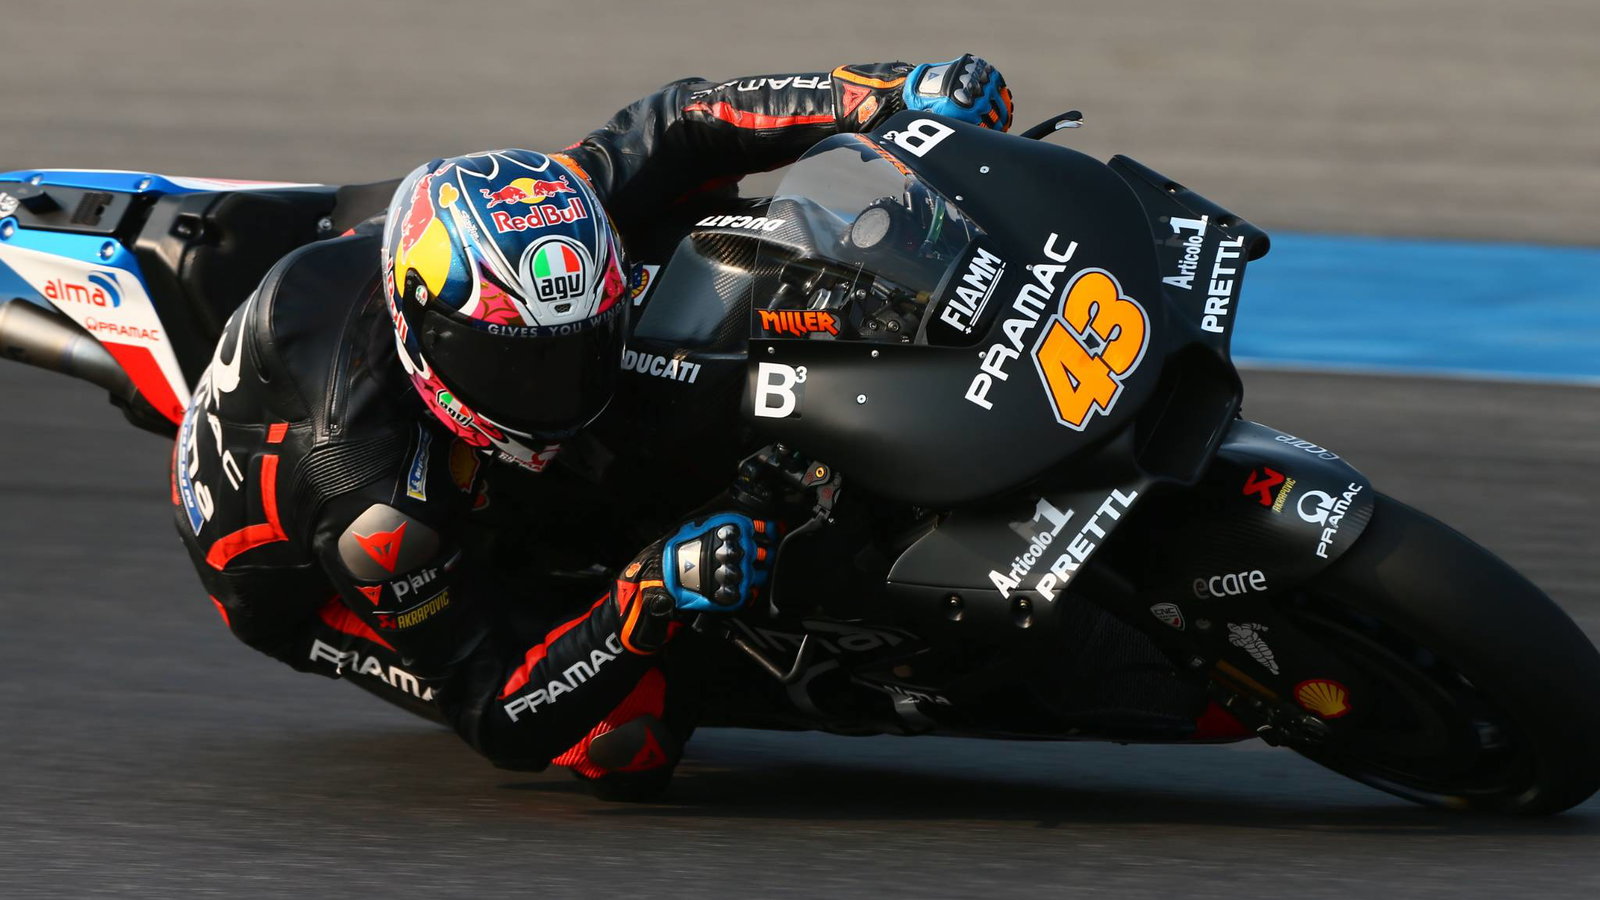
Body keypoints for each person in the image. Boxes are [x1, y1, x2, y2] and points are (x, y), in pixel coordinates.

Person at [171, 55, 1014, 799]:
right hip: (319, 585)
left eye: (581, 347)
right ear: (432, 339)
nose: (559, 389)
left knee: (726, 256)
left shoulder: (549, 212)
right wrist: (647, 593)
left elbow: (684, 121)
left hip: (373, 317)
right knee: (624, 741)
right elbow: (501, 716)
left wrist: (884, 94)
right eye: (520, 367)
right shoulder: (379, 512)